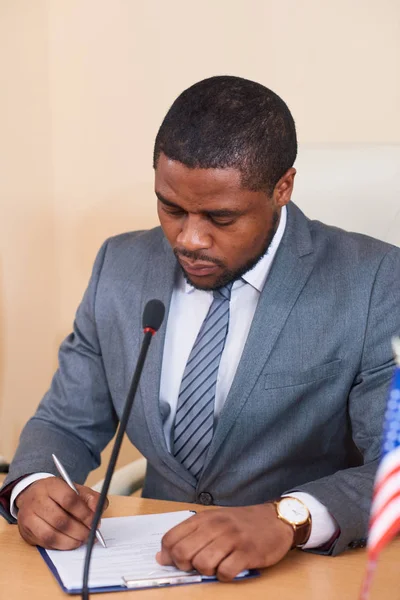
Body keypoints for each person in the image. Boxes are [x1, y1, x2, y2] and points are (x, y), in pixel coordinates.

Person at [1, 75, 399, 581]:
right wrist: (31, 485)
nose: (189, 238)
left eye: (221, 217)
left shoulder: (375, 280)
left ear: (283, 187)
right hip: (151, 570)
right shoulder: (118, 265)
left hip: (304, 575)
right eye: (171, 208)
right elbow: (65, 422)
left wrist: (288, 517)